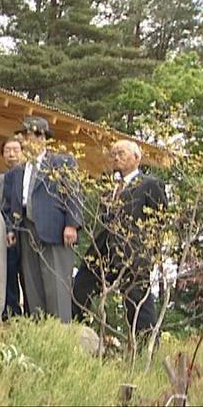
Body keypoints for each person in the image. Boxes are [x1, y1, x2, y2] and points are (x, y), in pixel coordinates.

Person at [72, 139, 167, 334]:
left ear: (137, 157)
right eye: (113, 154)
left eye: (121, 153)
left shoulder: (150, 184)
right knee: (82, 283)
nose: (116, 157)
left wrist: (151, 252)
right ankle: (75, 330)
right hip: (105, 247)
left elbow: (160, 219)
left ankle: (144, 344)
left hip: (134, 250)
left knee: (136, 298)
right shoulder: (110, 185)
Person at [3, 116, 82, 323]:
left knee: (56, 286)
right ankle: (40, 333)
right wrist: (11, 229)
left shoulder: (61, 162)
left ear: (45, 138)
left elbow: (73, 194)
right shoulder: (17, 171)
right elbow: (11, 204)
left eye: (37, 135)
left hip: (55, 229)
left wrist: (72, 224)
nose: (32, 140)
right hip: (26, 230)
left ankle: (60, 335)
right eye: (27, 136)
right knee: (32, 285)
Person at [0, 136, 29, 320]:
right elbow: (6, 206)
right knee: (10, 272)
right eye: (7, 151)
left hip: (31, 232)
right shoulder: (5, 178)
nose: (12, 154)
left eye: (16, 150)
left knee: (29, 277)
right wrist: (9, 229)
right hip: (12, 232)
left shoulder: (32, 173)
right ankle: (12, 314)